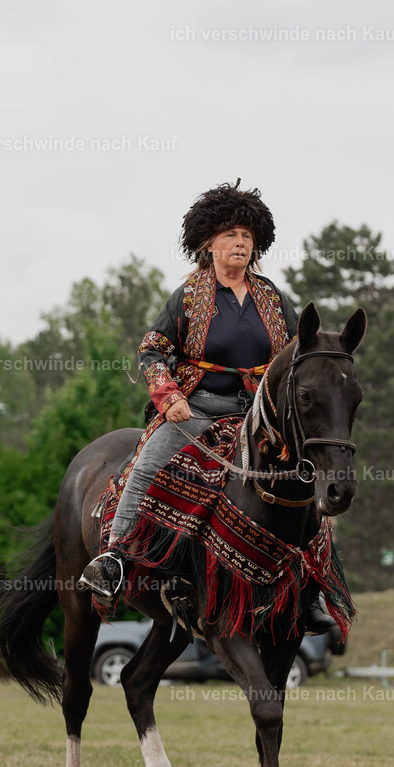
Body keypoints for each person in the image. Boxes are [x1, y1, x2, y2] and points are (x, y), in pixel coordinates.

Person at [79, 180, 334, 633]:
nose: (240, 244)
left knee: (308, 477)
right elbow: (153, 347)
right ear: (209, 243)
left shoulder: (273, 298)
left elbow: (301, 355)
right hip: (195, 407)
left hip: (258, 414)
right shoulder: (189, 296)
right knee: (148, 463)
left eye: (247, 238)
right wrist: (168, 395)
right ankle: (114, 558)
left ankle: (310, 585)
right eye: (231, 235)